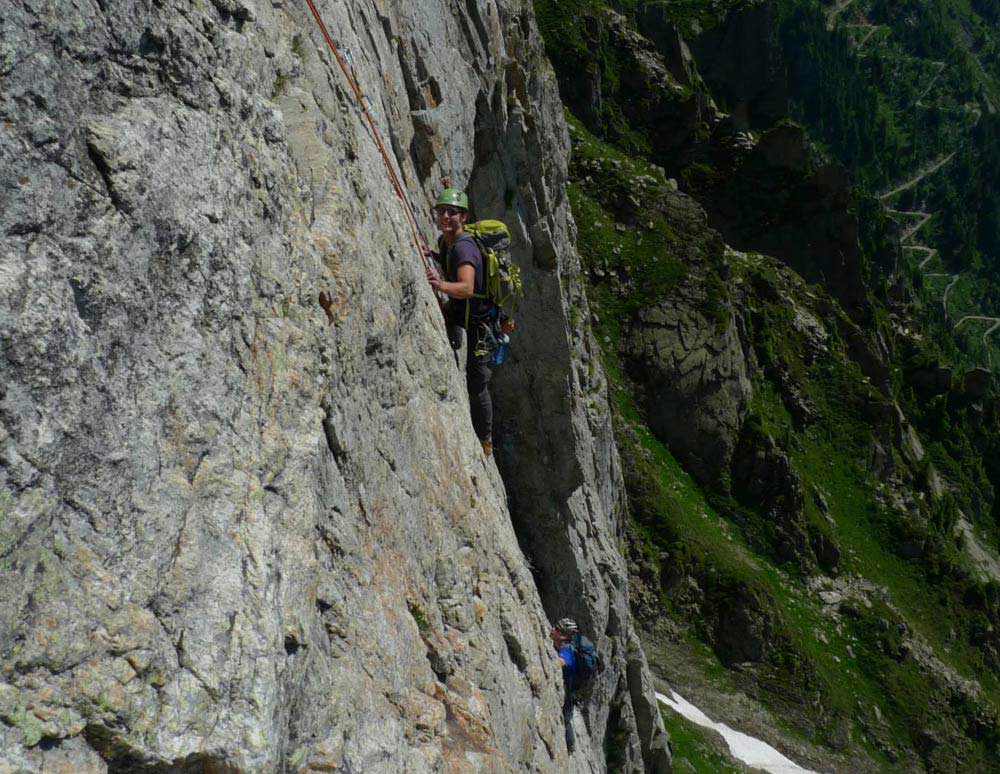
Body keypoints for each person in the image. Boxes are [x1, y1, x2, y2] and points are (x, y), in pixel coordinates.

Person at [425, 188, 495, 457]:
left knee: (477, 383)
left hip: (479, 323)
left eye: (451, 212)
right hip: (461, 311)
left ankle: (485, 440)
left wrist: (440, 284)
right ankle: (453, 340)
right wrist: (432, 253)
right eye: (441, 211)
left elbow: (466, 287)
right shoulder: (446, 242)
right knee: (449, 321)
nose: (445, 216)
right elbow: (449, 261)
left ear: (463, 217)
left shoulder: (463, 247)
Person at [550, 617, 579, 753]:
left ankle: (570, 745)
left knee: (566, 719)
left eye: (556, 628)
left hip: (569, 692)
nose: (552, 629)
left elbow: (563, 662)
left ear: (562, 635)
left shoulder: (566, 651)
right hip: (568, 688)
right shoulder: (562, 646)